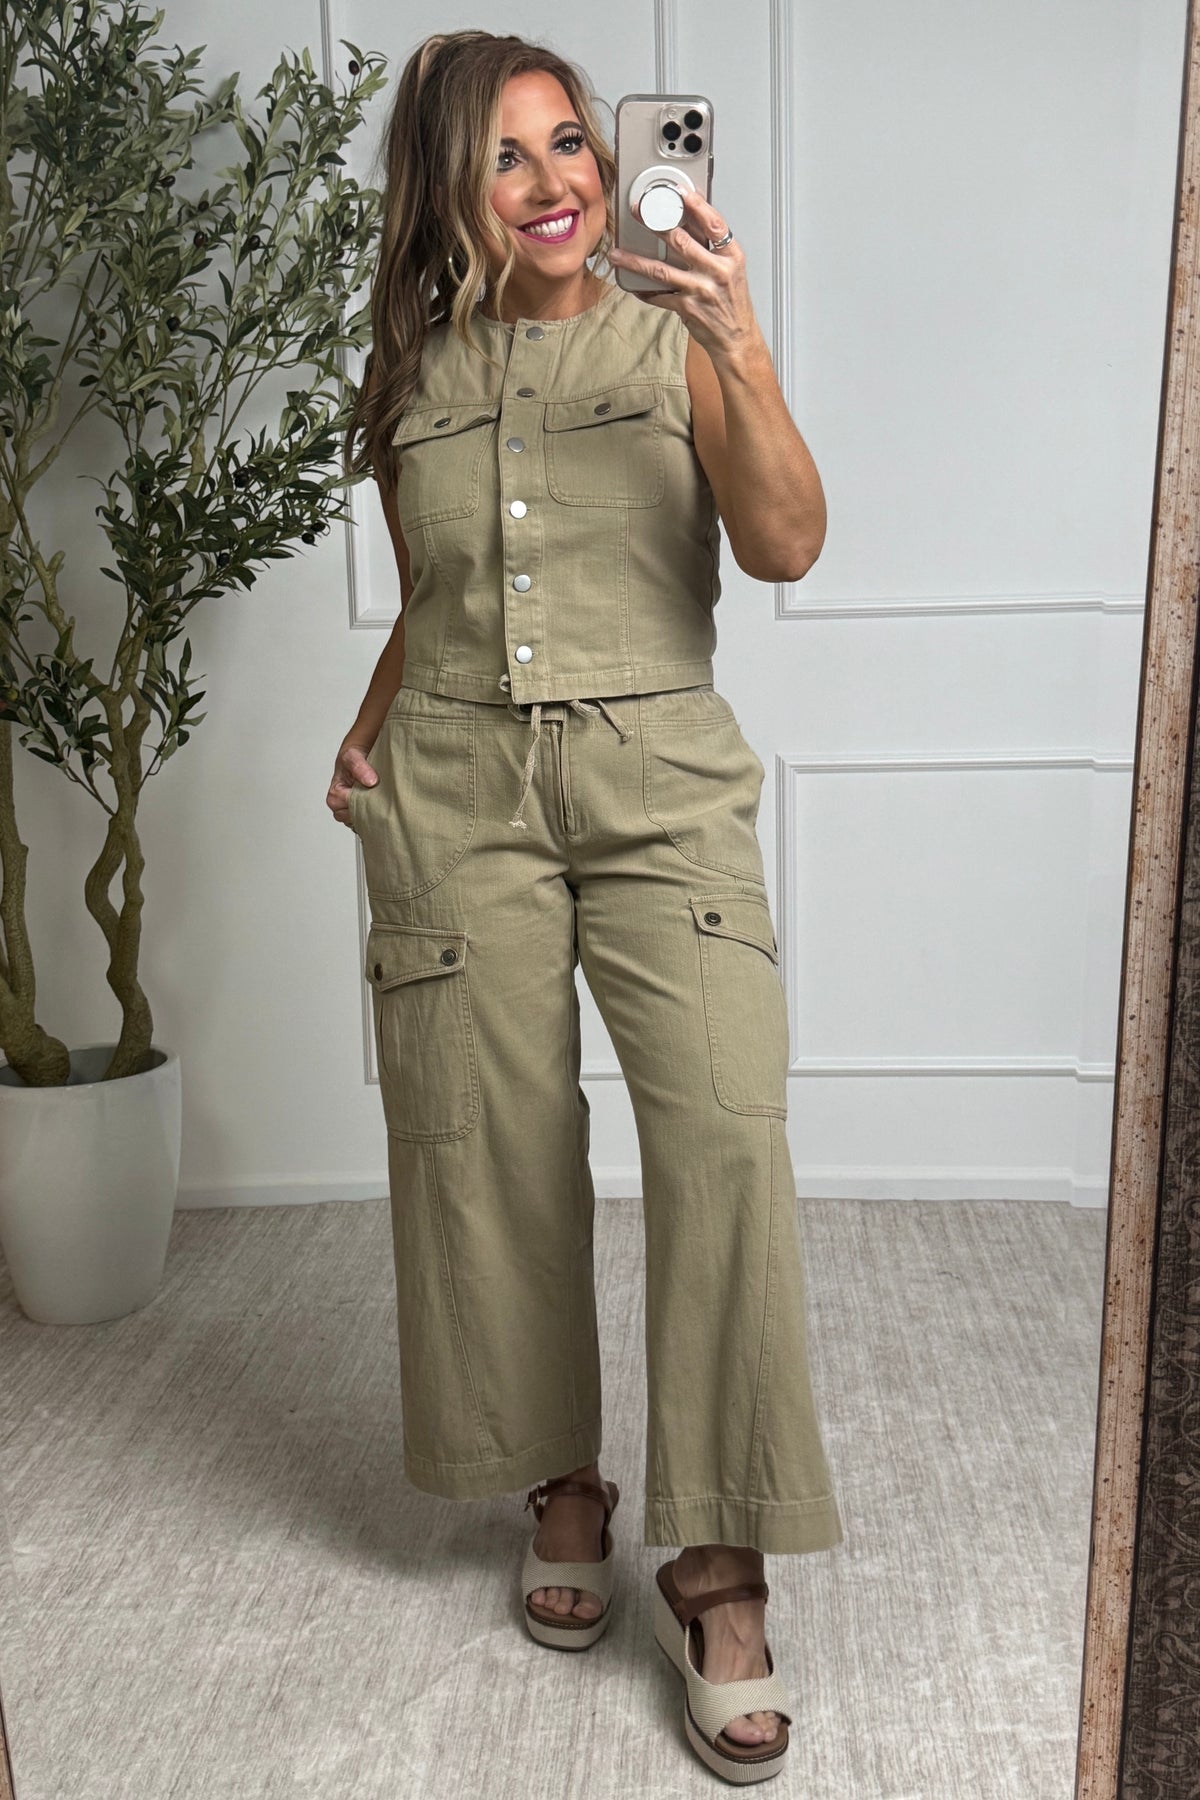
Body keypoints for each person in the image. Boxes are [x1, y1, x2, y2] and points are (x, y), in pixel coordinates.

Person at [333, 30, 842, 1781]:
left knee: (722, 1133)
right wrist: (369, 736)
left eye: (572, 144)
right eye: (507, 157)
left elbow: (787, 547)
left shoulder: (676, 333)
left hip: (658, 784)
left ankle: (720, 1559)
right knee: (493, 1142)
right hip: (457, 784)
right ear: (448, 193)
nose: (555, 183)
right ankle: (562, 1476)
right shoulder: (411, 370)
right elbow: (437, 591)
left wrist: (740, 343)